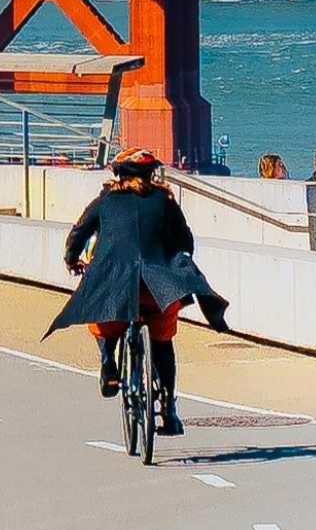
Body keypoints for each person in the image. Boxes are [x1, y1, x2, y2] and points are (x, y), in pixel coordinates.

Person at [53, 150, 232, 436]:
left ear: (119, 174)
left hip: (116, 286)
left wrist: (71, 259)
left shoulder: (105, 201)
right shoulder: (165, 200)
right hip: (157, 288)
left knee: (102, 317)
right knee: (163, 341)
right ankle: (169, 410)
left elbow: (78, 234)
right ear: (151, 174)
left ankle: (108, 363)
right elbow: (185, 240)